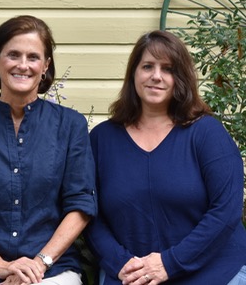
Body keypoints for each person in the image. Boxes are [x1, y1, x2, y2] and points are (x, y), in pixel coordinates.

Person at [0, 15, 97, 285]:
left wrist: (39, 263)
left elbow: (81, 205)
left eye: (33, 57)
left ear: (45, 66)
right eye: (13, 55)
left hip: (52, 270)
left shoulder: (70, 126)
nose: (23, 65)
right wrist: (0, 266)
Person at [86, 30, 246, 284]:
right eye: (147, 66)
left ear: (179, 78)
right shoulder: (102, 139)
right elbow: (89, 214)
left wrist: (169, 263)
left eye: (168, 69)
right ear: (134, 74)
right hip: (131, 275)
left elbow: (226, 211)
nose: (156, 77)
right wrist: (120, 263)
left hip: (212, 270)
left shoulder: (206, 133)